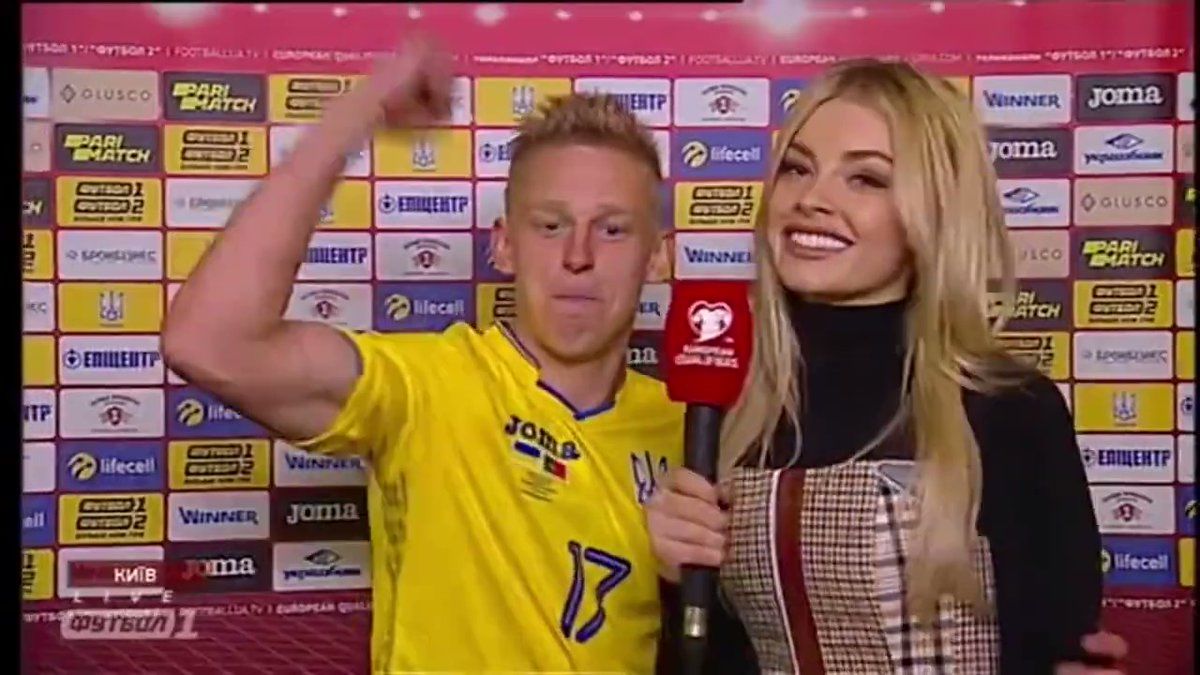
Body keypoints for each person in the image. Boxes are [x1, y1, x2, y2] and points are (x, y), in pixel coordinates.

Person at [162, 38, 680, 673]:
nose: (578, 256)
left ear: (658, 257)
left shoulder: (694, 431)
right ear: (505, 247)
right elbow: (208, 343)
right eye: (550, 226)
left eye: (613, 229)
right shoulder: (430, 387)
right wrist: (355, 117)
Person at [646, 59, 1130, 674]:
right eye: (797, 168)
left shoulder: (1010, 409)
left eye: (866, 179)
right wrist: (677, 584)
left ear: (934, 210)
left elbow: (1058, 651)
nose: (811, 199)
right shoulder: (730, 410)